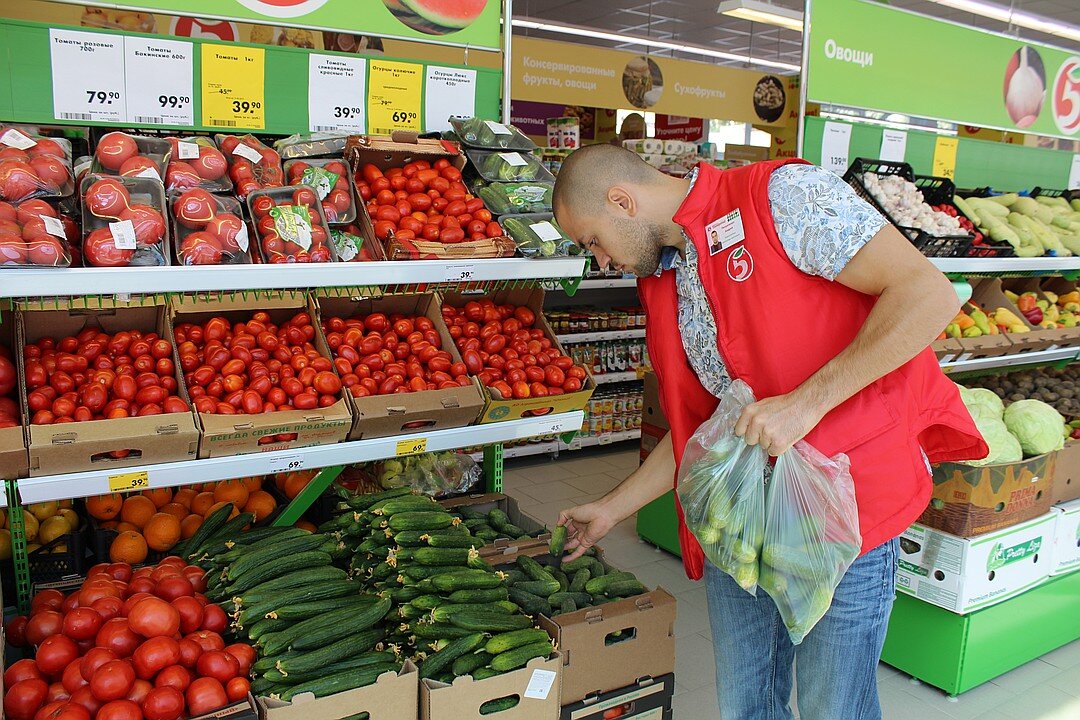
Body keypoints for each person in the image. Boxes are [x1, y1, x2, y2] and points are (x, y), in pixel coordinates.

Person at [550, 144, 987, 720]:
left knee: (836, 707)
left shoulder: (782, 196)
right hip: (742, 519)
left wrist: (806, 404)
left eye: (593, 242)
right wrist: (613, 508)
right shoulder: (667, 277)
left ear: (621, 200)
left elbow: (927, 294)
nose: (601, 262)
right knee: (745, 703)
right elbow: (708, 430)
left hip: (847, 513)